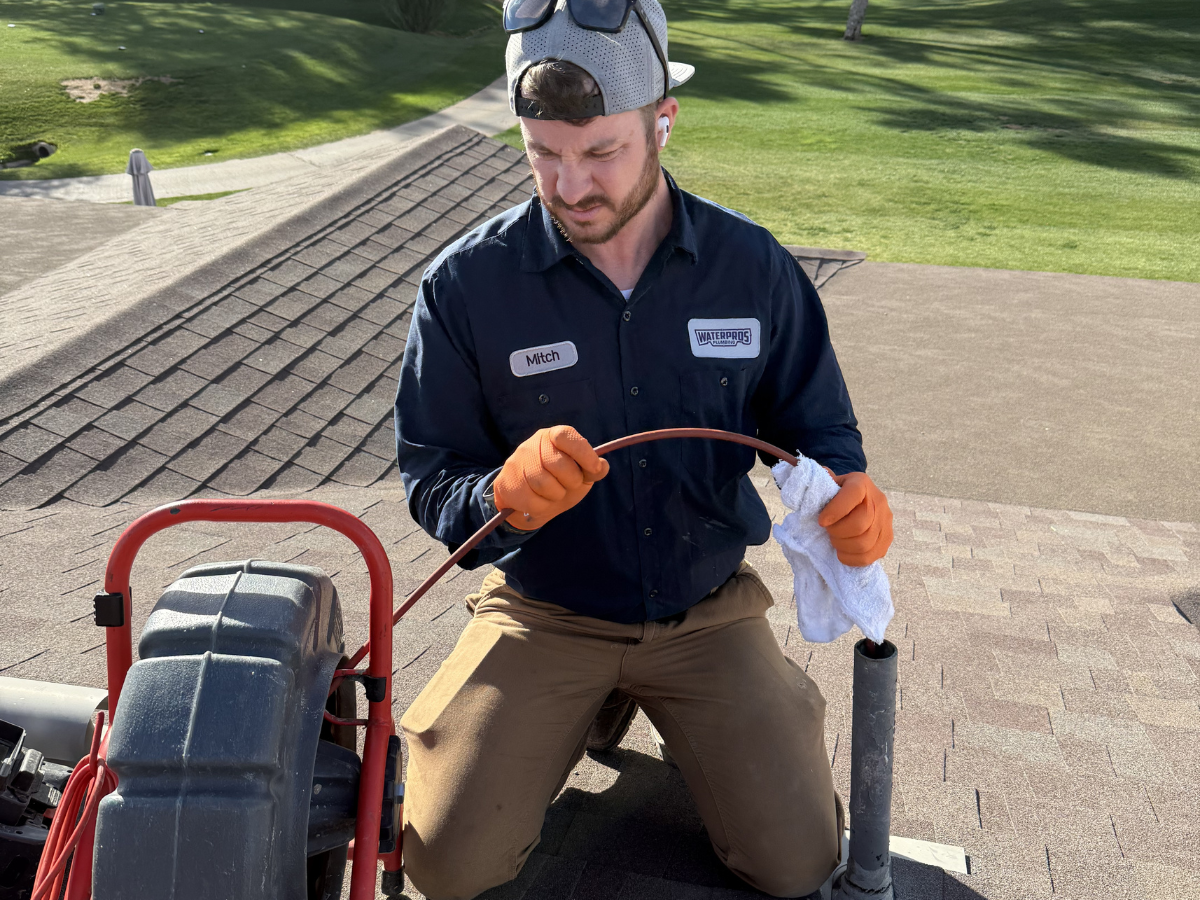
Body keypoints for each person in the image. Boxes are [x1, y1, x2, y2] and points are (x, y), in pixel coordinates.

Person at [393, 0, 894, 896]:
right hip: (547, 607)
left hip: (705, 607)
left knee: (799, 865)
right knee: (445, 870)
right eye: (541, 152)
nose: (569, 183)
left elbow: (817, 428)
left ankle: (689, 702)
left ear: (663, 120)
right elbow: (434, 478)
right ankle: (588, 695)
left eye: (599, 152)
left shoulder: (753, 267)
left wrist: (848, 493)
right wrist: (499, 497)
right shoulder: (465, 286)